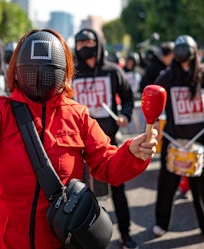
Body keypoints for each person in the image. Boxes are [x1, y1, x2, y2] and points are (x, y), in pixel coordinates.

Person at [0, 28, 158, 249]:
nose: (39, 75)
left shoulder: (77, 115)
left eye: (47, 70)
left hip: (59, 241)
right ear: (17, 70)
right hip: (4, 241)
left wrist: (132, 153)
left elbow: (108, 166)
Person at [72, 28, 138, 249]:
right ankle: (80, 241)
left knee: (118, 189)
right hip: (77, 147)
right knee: (77, 196)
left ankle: (126, 234)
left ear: (98, 44)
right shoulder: (72, 73)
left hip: (109, 143)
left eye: (88, 42)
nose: (84, 47)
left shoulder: (112, 71)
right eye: (79, 43)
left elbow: (128, 97)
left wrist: (125, 115)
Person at [152, 34, 204, 237]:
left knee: (200, 188)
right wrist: (154, 119)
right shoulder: (168, 75)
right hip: (174, 140)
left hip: (200, 141)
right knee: (167, 185)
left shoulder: (201, 73)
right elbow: (153, 93)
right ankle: (161, 222)